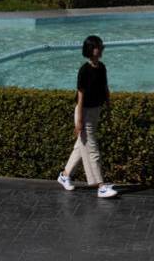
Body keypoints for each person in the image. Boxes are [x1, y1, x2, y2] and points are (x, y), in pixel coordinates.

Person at [57, 35, 118, 198]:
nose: (102, 48)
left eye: (101, 45)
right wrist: (79, 121)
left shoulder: (102, 67)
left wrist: (109, 107)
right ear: (91, 50)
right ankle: (101, 186)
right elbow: (80, 96)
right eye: (99, 46)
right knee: (92, 149)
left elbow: (105, 88)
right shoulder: (84, 70)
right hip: (83, 112)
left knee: (80, 147)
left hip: (95, 111)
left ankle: (64, 175)